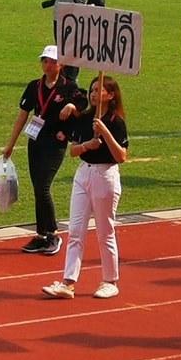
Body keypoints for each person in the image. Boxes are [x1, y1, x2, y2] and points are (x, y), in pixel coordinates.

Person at [44, 73, 130, 301]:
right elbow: (72, 150)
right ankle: (68, 281)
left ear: (110, 95)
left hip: (105, 175)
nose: (93, 94)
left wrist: (105, 134)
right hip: (84, 173)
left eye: (98, 90)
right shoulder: (84, 119)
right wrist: (87, 145)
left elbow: (121, 156)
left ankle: (110, 280)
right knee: (75, 230)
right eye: (92, 90)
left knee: (105, 231)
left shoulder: (115, 122)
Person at [3, 44, 81, 255]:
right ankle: (40, 233)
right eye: (45, 60)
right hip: (36, 141)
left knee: (44, 186)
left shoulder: (69, 87)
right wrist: (10, 144)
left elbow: (84, 107)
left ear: (61, 64)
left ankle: (53, 233)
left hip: (56, 143)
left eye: (52, 61)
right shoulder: (33, 86)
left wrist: (72, 106)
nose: (48, 64)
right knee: (38, 187)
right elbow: (22, 115)